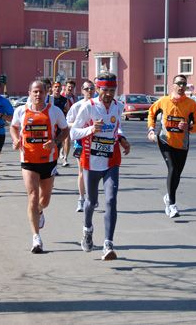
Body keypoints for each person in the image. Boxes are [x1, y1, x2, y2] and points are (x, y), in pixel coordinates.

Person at [70, 72, 131, 261]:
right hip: (90, 159)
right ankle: (87, 229)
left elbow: (116, 126)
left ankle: (108, 243)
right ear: (98, 89)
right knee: (91, 202)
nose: (108, 94)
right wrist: (91, 130)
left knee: (111, 200)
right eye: (105, 90)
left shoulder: (118, 106)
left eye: (112, 90)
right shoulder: (87, 107)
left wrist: (122, 139)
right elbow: (73, 132)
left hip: (111, 159)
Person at [10, 81, 69, 253]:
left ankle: (40, 211)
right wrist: (15, 140)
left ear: (46, 93)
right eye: (35, 91)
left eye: (41, 91)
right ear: (29, 93)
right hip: (28, 160)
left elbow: (65, 131)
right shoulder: (21, 110)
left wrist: (56, 141)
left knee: (44, 201)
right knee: (33, 197)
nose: (38, 95)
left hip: (48, 160)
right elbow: (14, 127)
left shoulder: (54, 111)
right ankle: (36, 238)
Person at [147, 74, 196, 218]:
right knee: (172, 169)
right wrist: (151, 129)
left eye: (184, 84)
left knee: (177, 173)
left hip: (182, 144)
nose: (181, 86)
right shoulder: (163, 101)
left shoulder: (191, 104)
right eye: (178, 83)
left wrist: (188, 127)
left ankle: (168, 196)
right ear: (172, 86)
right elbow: (151, 113)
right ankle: (172, 204)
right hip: (165, 140)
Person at [66, 80, 95, 212]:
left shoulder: (98, 105)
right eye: (86, 88)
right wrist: (81, 126)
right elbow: (68, 123)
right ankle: (81, 199)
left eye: (92, 88)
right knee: (82, 171)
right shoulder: (77, 106)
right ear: (82, 90)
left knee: (95, 171)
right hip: (81, 141)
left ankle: (92, 197)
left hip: (96, 141)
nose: (89, 91)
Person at [61, 79, 77, 167]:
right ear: (65, 87)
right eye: (69, 87)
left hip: (71, 122)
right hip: (62, 121)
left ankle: (65, 158)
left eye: (72, 87)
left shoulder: (75, 98)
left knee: (67, 139)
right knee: (63, 139)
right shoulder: (61, 97)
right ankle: (62, 151)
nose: (70, 88)